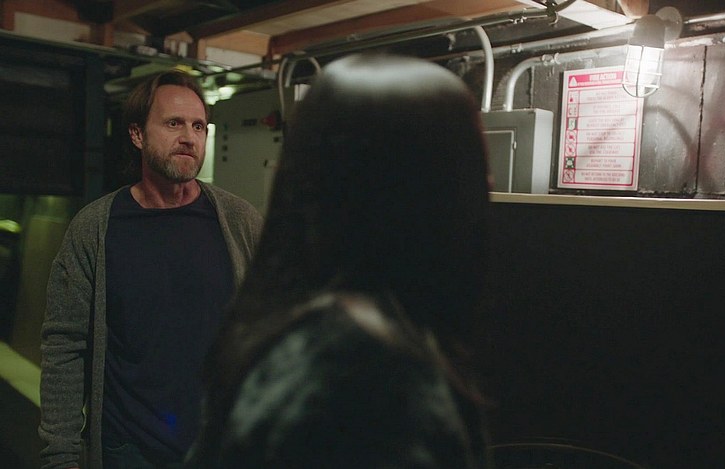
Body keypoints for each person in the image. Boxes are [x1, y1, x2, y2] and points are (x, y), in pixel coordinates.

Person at [186, 53, 494, 468]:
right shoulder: (370, 383)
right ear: (420, 190)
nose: (488, 183)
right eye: (471, 166)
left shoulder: (293, 329)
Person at [38, 69, 263, 469]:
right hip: (130, 449)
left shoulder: (239, 221)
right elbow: (65, 345)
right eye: (174, 123)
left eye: (198, 126)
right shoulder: (95, 228)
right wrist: (60, 453)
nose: (189, 137)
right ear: (137, 135)